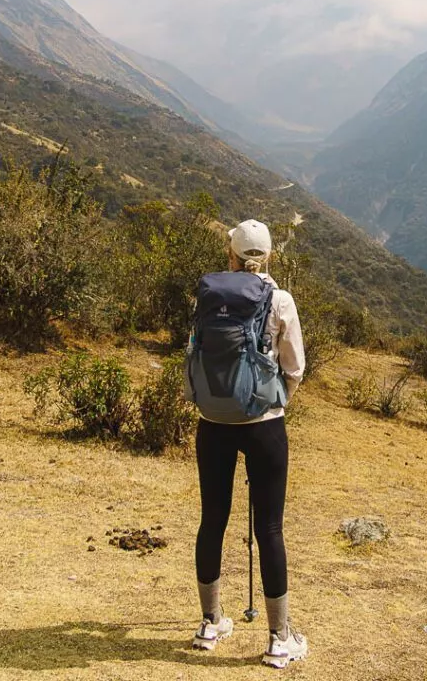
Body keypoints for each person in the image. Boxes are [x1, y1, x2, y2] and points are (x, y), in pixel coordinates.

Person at [191, 219, 308, 669]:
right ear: (269, 256)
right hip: (264, 424)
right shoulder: (280, 300)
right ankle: (279, 638)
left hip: (212, 421)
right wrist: (275, 399)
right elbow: (294, 368)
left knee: (212, 520)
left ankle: (210, 623)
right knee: (270, 529)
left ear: (232, 256)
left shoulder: (208, 297)